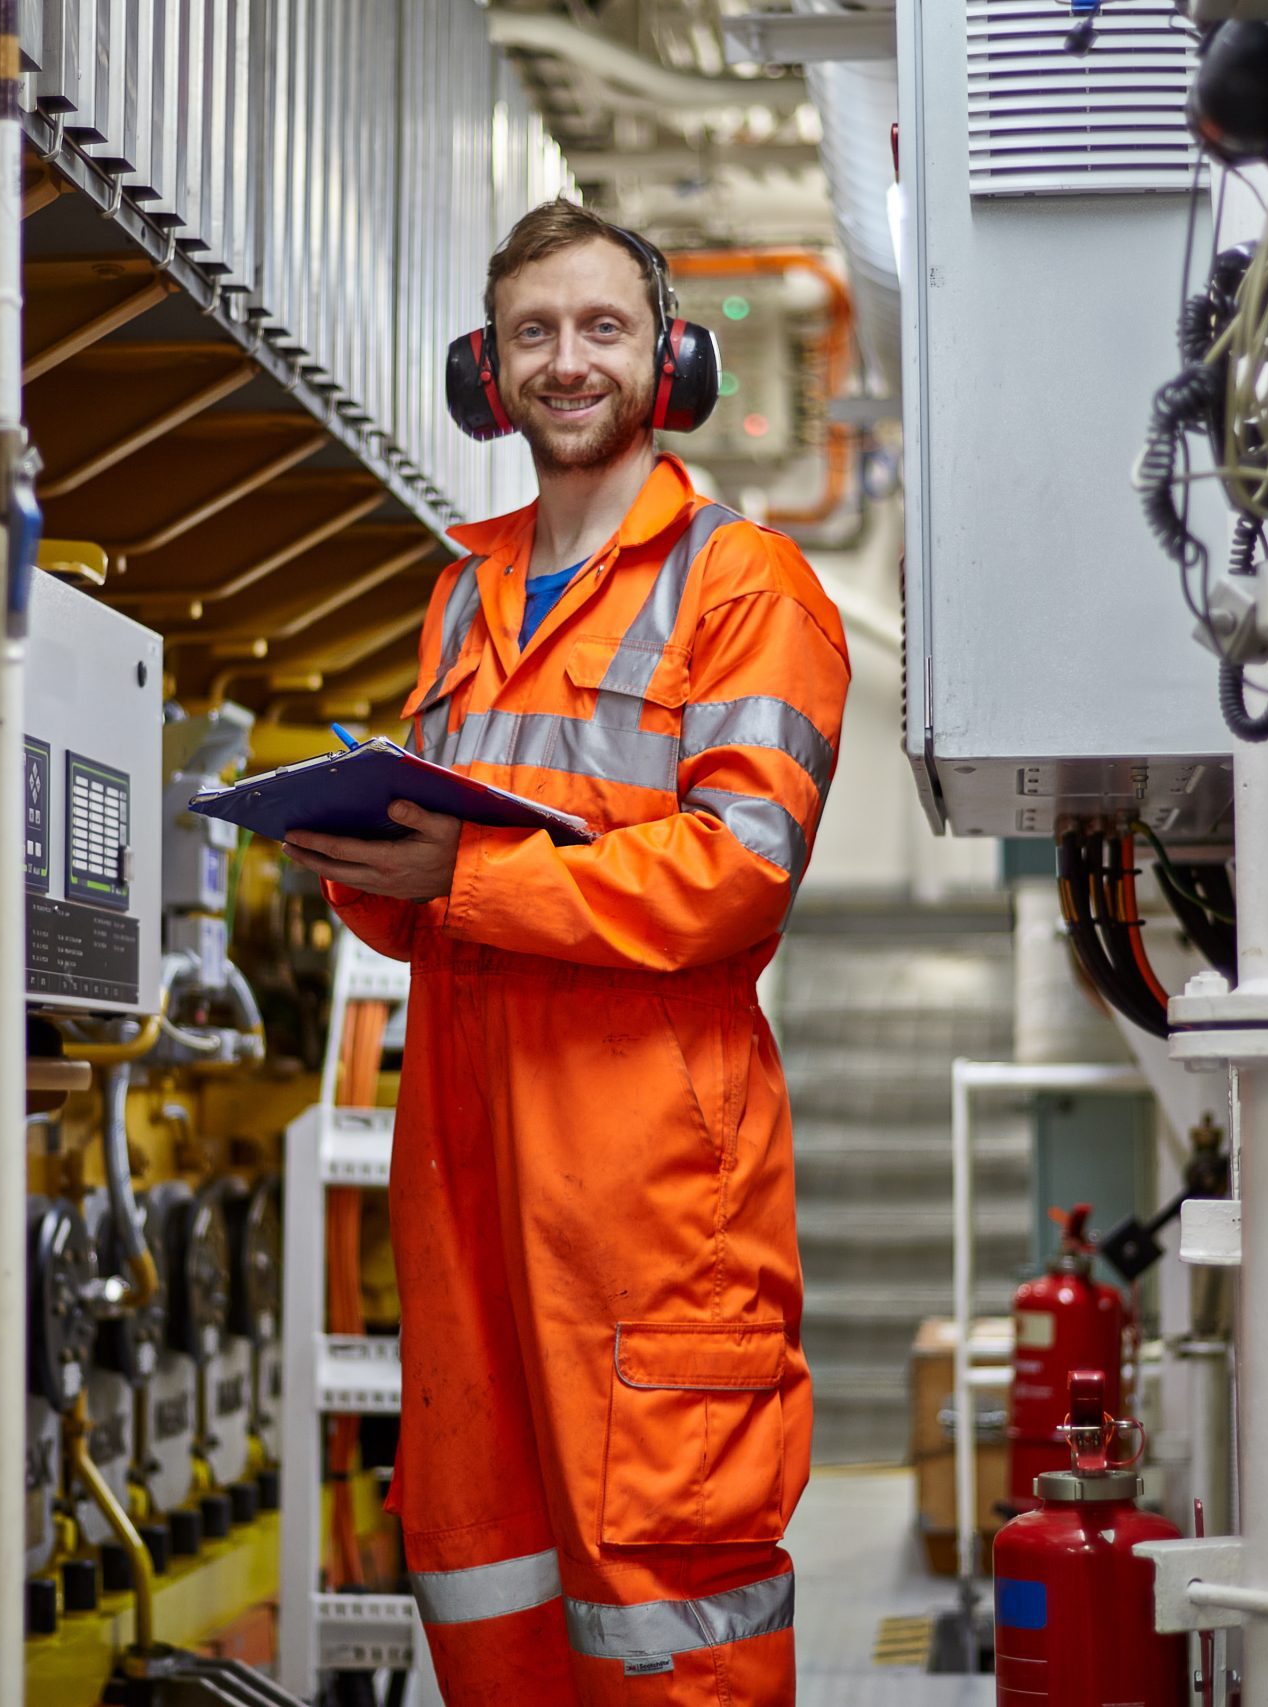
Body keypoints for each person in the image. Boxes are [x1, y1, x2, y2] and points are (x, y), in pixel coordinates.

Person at [282, 199, 850, 1705]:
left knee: (669, 1606)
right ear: (489, 370)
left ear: (673, 360)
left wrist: (462, 876)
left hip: (651, 1209)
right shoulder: (461, 593)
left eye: (602, 328)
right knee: (484, 1583)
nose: (567, 360)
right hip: (464, 1188)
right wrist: (360, 860)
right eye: (534, 332)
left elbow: (736, 872)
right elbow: (431, 890)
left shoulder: (746, 589)